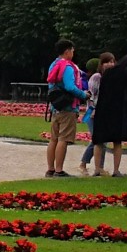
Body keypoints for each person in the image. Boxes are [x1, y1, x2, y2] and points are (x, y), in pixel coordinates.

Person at [86, 51, 127, 176]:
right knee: (106, 141)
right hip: (106, 110)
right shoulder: (100, 76)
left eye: (112, 61)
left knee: (106, 140)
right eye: (107, 62)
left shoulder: (110, 76)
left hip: (106, 110)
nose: (110, 64)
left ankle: (105, 169)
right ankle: (103, 169)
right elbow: (93, 94)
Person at [43, 40, 85, 178]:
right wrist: (84, 94)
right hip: (68, 107)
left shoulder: (53, 64)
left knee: (53, 139)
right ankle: (59, 170)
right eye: (72, 50)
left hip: (56, 106)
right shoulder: (67, 66)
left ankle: (50, 169)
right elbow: (70, 87)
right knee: (63, 139)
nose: (73, 53)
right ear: (67, 51)